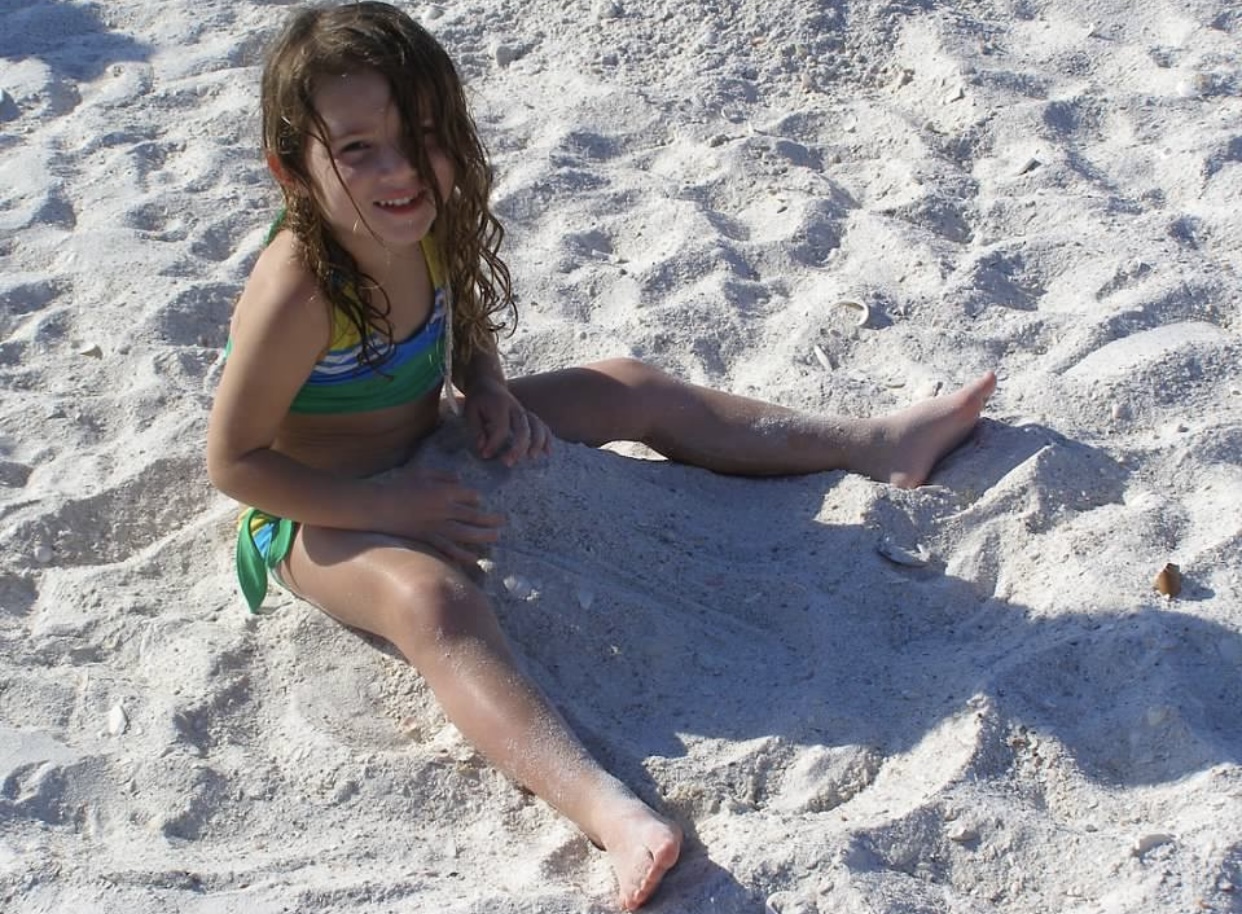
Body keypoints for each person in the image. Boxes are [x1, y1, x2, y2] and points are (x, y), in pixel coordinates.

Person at [205, 2, 996, 909]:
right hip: (315, 507)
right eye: (356, 150)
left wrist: (489, 391)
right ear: (292, 171)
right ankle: (609, 812)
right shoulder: (300, 293)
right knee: (434, 602)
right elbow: (234, 464)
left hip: (432, 440)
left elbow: (461, 330)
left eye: (421, 135)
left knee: (628, 384)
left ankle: (876, 443)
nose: (399, 170)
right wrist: (391, 509)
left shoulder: (423, 217)